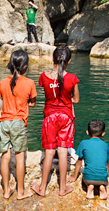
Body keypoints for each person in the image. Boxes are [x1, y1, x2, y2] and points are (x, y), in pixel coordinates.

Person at [32, 46, 79, 197]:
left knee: (49, 152)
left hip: (50, 117)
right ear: (69, 61)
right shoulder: (72, 78)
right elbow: (76, 100)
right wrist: (66, 99)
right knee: (63, 152)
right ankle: (62, 189)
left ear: (52, 59)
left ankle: (42, 188)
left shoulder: (44, 76)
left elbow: (47, 94)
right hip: (66, 117)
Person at [0, 49, 37, 199]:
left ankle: (6, 190)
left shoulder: (2, 82)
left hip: (4, 122)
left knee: (5, 156)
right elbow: (32, 103)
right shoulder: (29, 83)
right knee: (20, 157)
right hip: (18, 122)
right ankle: (20, 191)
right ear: (25, 67)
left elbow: (3, 98)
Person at [74, 119, 109, 199]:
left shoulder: (83, 143)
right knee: (101, 179)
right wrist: (107, 178)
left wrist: (74, 177)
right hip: (103, 179)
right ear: (103, 134)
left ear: (87, 132)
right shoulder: (105, 145)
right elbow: (107, 164)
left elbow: (79, 162)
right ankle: (102, 187)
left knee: (89, 178)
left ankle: (90, 187)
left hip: (88, 178)